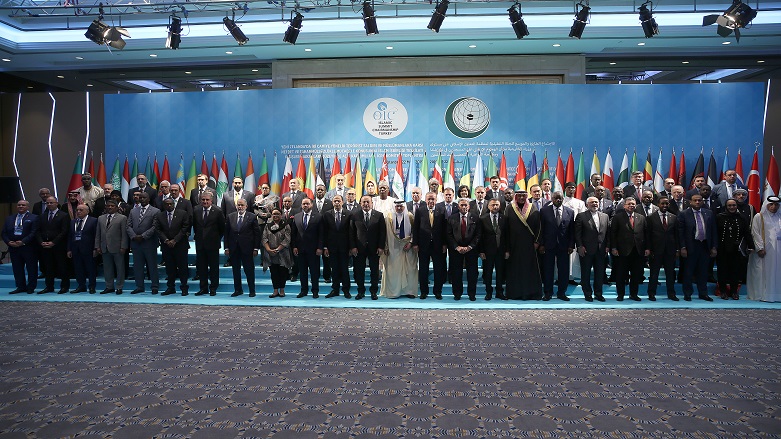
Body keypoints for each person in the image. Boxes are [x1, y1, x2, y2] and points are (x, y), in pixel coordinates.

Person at [503, 190, 542, 300]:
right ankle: (515, 294)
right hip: (514, 246)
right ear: (516, 197)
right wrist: (507, 248)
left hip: (529, 246)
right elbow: (505, 229)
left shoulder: (533, 208)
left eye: (523, 196)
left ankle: (531, 293)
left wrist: (537, 242)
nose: (521, 198)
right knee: (515, 270)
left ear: (526, 197)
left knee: (529, 270)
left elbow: (539, 227)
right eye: (519, 196)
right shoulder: (509, 208)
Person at [677, 194, 716, 301]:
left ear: (702, 201)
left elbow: (713, 231)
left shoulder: (709, 213)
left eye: (699, 200)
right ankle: (687, 293)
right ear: (690, 202)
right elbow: (680, 232)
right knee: (688, 271)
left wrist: (714, 247)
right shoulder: (684, 214)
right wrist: (682, 247)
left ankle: (703, 293)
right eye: (695, 200)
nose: (697, 202)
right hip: (690, 246)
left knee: (703, 271)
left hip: (705, 246)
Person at [538, 192, 575, 301]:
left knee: (563, 270)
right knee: (548, 270)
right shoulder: (544, 211)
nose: (558, 200)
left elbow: (571, 231)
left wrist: (571, 245)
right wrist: (541, 244)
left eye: (560, 198)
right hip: (548, 245)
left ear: (563, 199)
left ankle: (562, 293)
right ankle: (548, 293)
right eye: (556, 198)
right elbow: (541, 229)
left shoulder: (570, 211)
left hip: (564, 246)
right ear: (552, 199)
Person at [610, 197, 647, 301]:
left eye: (633, 204)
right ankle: (620, 294)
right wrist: (614, 247)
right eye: (629, 204)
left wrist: (647, 248)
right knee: (621, 274)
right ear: (624, 205)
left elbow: (645, 233)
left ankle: (633, 294)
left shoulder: (641, 217)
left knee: (636, 275)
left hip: (637, 251)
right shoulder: (618, 217)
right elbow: (613, 233)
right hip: (622, 251)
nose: (631, 206)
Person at [412, 192, 447, 300]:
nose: (431, 201)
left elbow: (445, 229)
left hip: (438, 245)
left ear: (436, 200)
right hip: (423, 245)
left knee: (438, 270)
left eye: (433, 199)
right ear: (425, 200)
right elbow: (415, 228)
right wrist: (415, 243)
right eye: (429, 199)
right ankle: (424, 292)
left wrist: (444, 244)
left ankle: (438, 291)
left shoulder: (442, 210)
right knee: (423, 270)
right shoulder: (420, 210)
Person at [350, 195, 386, 300]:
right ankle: (360, 291)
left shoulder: (379, 215)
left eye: (368, 202)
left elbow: (382, 232)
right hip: (359, 248)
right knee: (359, 271)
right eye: (364, 202)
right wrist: (353, 247)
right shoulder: (355, 215)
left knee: (374, 271)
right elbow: (351, 233)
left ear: (372, 203)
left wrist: (381, 246)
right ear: (360, 204)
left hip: (374, 248)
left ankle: (373, 291)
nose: (366, 204)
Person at [716, 198, 752, 299]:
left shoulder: (741, 218)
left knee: (735, 271)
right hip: (722, 248)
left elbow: (747, 233)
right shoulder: (719, 217)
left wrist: (751, 245)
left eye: (734, 205)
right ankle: (723, 291)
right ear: (726, 207)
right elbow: (715, 233)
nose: (732, 207)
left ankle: (734, 292)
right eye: (729, 205)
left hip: (736, 249)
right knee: (722, 270)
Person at [575, 197, 610, 302]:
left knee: (599, 274)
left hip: (601, 250)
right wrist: (580, 246)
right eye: (592, 202)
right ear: (587, 205)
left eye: (596, 202)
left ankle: (598, 294)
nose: (595, 204)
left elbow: (608, 233)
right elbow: (577, 233)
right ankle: (588, 294)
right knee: (585, 273)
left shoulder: (605, 216)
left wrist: (607, 246)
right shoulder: (581, 216)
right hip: (586, 250)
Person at [381, 200, 418, 298]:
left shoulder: (410, 216)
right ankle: (394, 292)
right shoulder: (389, 217)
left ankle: (409, 291)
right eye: (397, 206)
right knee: (393, 270)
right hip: (393, 247)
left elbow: (415, 231)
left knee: (410, 269)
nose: (399, 208)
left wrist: (411, 243)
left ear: (404, 207)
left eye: (401, 206)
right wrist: (386, 246)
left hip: (408, 247)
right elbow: (385, 233)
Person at [747, 196, 781, 302]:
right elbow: (755, 233)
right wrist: (760, 248)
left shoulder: (779, 217)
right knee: (763, 272)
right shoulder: (759, 216)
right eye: (771, 204)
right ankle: (763, 294)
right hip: (764, 250)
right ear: (766, 205)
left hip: (778, 250)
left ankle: (776, 294)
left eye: (776, 205)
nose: (774, 207)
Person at [446, 198, 481, 301]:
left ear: (469, 206)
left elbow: (478, 234)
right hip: (456, 250)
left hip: (471, 250)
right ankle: (457, 293)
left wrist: (470, 247)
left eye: (466, 205)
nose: (464, 207)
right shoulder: (451, 218)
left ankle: (472, 294)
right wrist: (457, 247)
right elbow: (448, 234)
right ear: (458, 206)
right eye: (462, 205)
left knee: (472, 273)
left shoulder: (475, 218)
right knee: (456, 273)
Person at [225, 198, 261, 297]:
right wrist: (226, 247)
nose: (240, 207)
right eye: (238, 205)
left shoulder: (252, 216)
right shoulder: (230, 216)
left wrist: (256, 248)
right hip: (234, 248)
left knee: (249, 270)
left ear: (246, 206)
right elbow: (226, 233)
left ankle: (252, 290)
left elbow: (257, 234)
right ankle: (238, 290)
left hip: (247, 248)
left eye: (242, 205)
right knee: (235, 270)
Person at [645, 197, 679, 301]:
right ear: (658, 204)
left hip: (670, 250)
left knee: (670, 273)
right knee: (654, 274)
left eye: (666, 204)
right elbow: (648, 235)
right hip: (655, 250)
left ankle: (671, 293)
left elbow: (677, 235)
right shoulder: (651, 217)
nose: (664, 206)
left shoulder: (674, 217)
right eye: (662, 203)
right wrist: (649, 248)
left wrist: (677, 249)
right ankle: (651, 293)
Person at [2, 200, 39, 294]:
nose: (21, 206)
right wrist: (8, 242)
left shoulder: (34, 217)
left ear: (28, 207)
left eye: (23, 205)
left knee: (31, 268)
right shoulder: (9, 218)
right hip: (13, 247)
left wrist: (23, 242)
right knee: (17, 268)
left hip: (28, 247)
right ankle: (20, 286)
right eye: (19, 205)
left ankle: (31, 287)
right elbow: (4, 233)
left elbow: (34, 232)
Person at [127, 192, 161, 295]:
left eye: (144, 198)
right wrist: (134, 236)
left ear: (148, 199)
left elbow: (155, 227)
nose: (141, 199)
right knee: (138, 266)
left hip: (149, 243)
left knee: (152, 266)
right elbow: (128, 226)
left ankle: (154, 286)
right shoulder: (133, 211)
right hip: (136, 243)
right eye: (140, 197)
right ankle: (139, 286)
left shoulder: (155, 211)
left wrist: (143, 236)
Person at [36, 196, 71, 294]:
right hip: (45, 246)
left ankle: (64, 287)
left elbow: (64, 231)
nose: (49, 204)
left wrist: (53, 242)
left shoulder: (64, 215)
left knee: (62, 267)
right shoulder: (42, 216)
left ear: (56, 203)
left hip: (59, 246)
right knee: (48, 268)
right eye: (47, 203)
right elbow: (37, 231)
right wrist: (41, 242)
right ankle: (49, 286)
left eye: (51, 203)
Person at [156, 198, 190, 296]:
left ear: (174, 204)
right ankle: (171, 287)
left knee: (182, 268)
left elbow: (185, 228)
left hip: (180, 245)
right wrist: (166, 240)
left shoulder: (182, 213)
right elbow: (158, 229)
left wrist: (175, 240)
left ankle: (184, 287)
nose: (169, 206)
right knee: (169, 268)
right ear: (164, 205)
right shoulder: (160, 215)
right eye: (167, 204)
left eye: (171, 204)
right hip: (167, 246)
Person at [193, 191, 225, 296]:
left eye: (207, 200)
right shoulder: (196, 210)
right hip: (200, 244)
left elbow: (222, 228)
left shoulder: (218, 211)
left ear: (211, 201)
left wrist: (216, 238)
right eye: (203, 200)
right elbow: (195, 226)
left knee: (214, 267)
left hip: (213, 244)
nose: (205, 202)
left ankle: (213, 288)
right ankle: (203, 288)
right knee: (201, 267)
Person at [291, 198, 324, 298]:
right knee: (302, 272)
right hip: (300, 249)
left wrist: (320, 247)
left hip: (314, 249)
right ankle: (303, 290)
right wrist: (294, 246)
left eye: (307, 204)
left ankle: (315, 291)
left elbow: (321, 234)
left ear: (311, 205)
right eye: (303, 204)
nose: (305, 205)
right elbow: (293, 234)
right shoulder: (297, 217)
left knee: (314, 271)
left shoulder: (318, 217)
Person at [96, 200, 128, 295]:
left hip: (117, 247)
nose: (110, 207)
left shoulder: (122, 218)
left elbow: (124, 234)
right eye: (108, 206)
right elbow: (98, 233)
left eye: (112, 206)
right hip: (104, 247)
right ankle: (109, 286)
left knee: (120, 268)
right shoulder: (100, 218)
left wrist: (123, 246)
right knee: (107, 268)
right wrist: (97, 246)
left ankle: (119, 287)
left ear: (116, 207)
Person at [322, 195, 352, 298]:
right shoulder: (327, 214)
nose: (337, 203)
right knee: (334, 269)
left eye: (339, 201)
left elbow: (351, 232)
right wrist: (325, 247)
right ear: (332, 203)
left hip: (345, 247)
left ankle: (346, 290)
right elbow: (324, 232)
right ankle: (335, 289)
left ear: (342, 202)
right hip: (332, 247)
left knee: (344, 269)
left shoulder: (348, 214)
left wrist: (351, 247)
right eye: (335, 201)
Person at [66, 204, 97, 294]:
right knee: (78, 269)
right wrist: (69, 249)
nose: (78, 212)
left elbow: (96, 235)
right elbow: (70, 236)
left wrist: (95, 248)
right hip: (76, 249)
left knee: (90, 269)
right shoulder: (73, 222)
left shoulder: (93, 221)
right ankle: (81, 286)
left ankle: (92, 286)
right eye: (77, 210)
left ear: (87, 211)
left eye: (81, 210)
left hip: (89, 249)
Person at [478, 198, 506, 300]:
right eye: (493, 205)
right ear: (489, 206)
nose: (495, 207)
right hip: (487, 251)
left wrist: (507, 250)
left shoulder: (504, 218)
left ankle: (499, 292)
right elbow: (480, 236)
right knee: (488, 272)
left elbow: (507, 235)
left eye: (497, 205)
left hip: (501, 250)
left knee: (500, 272)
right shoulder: (482, 219)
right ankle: (488, 292)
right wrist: (481, 251)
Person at [263, 208, 293, 298]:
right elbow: (264, 238)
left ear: (281, 215)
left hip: (283, 253)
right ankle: (275, 290)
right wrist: (269, 249)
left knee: (282, 272)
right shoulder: (267, 225)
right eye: (274, 214)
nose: (275, 216)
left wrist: (277, 249)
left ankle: (282, 290)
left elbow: (287, 239)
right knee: (273, 272)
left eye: (277, 214)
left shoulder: (286, 225)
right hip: (270, 253)